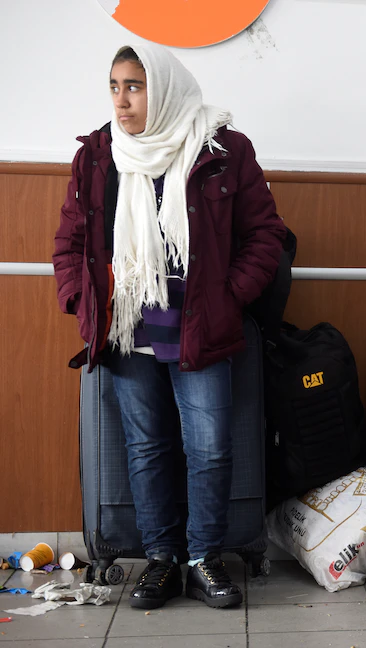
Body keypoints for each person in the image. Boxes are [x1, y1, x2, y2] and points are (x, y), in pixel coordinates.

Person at [52, 44, 286, 609]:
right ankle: (161, 560)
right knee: (146, 449)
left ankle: (204, 559)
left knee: (210, 450)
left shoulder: (223, 148)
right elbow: (70, 242)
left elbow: (266, 235)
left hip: (200, 328)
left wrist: (228, 298)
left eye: (134, 86)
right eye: (115, 86)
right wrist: (84, 302)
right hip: (127, 331)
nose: (122, 100)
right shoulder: (99, 155)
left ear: (164, 88)